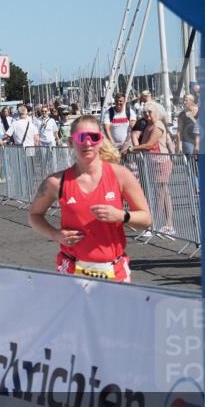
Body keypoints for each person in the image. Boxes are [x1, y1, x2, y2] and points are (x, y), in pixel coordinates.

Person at [28, 115, 150, 283]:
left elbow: (146, 219)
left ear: (101, 140)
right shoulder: (56, 182)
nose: (87, 143)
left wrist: (121, 215)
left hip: (114, 270)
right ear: (71, 142)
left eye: (93, 137)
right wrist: (56, 234)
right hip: (73, 269)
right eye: (81, 137)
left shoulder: (120, 175)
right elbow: (34, 215)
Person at [126, 101, 175, 236]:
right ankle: (168, 225)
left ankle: (153, 224)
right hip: (152, 162)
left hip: (161, 162)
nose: (147, 114)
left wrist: (131, 149)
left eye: (150, 112)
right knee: (163, 194)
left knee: (160, 194)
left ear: (156, 113)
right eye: (145, 112)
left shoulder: (158, 126)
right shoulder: (148, 125)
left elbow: (149, 145)